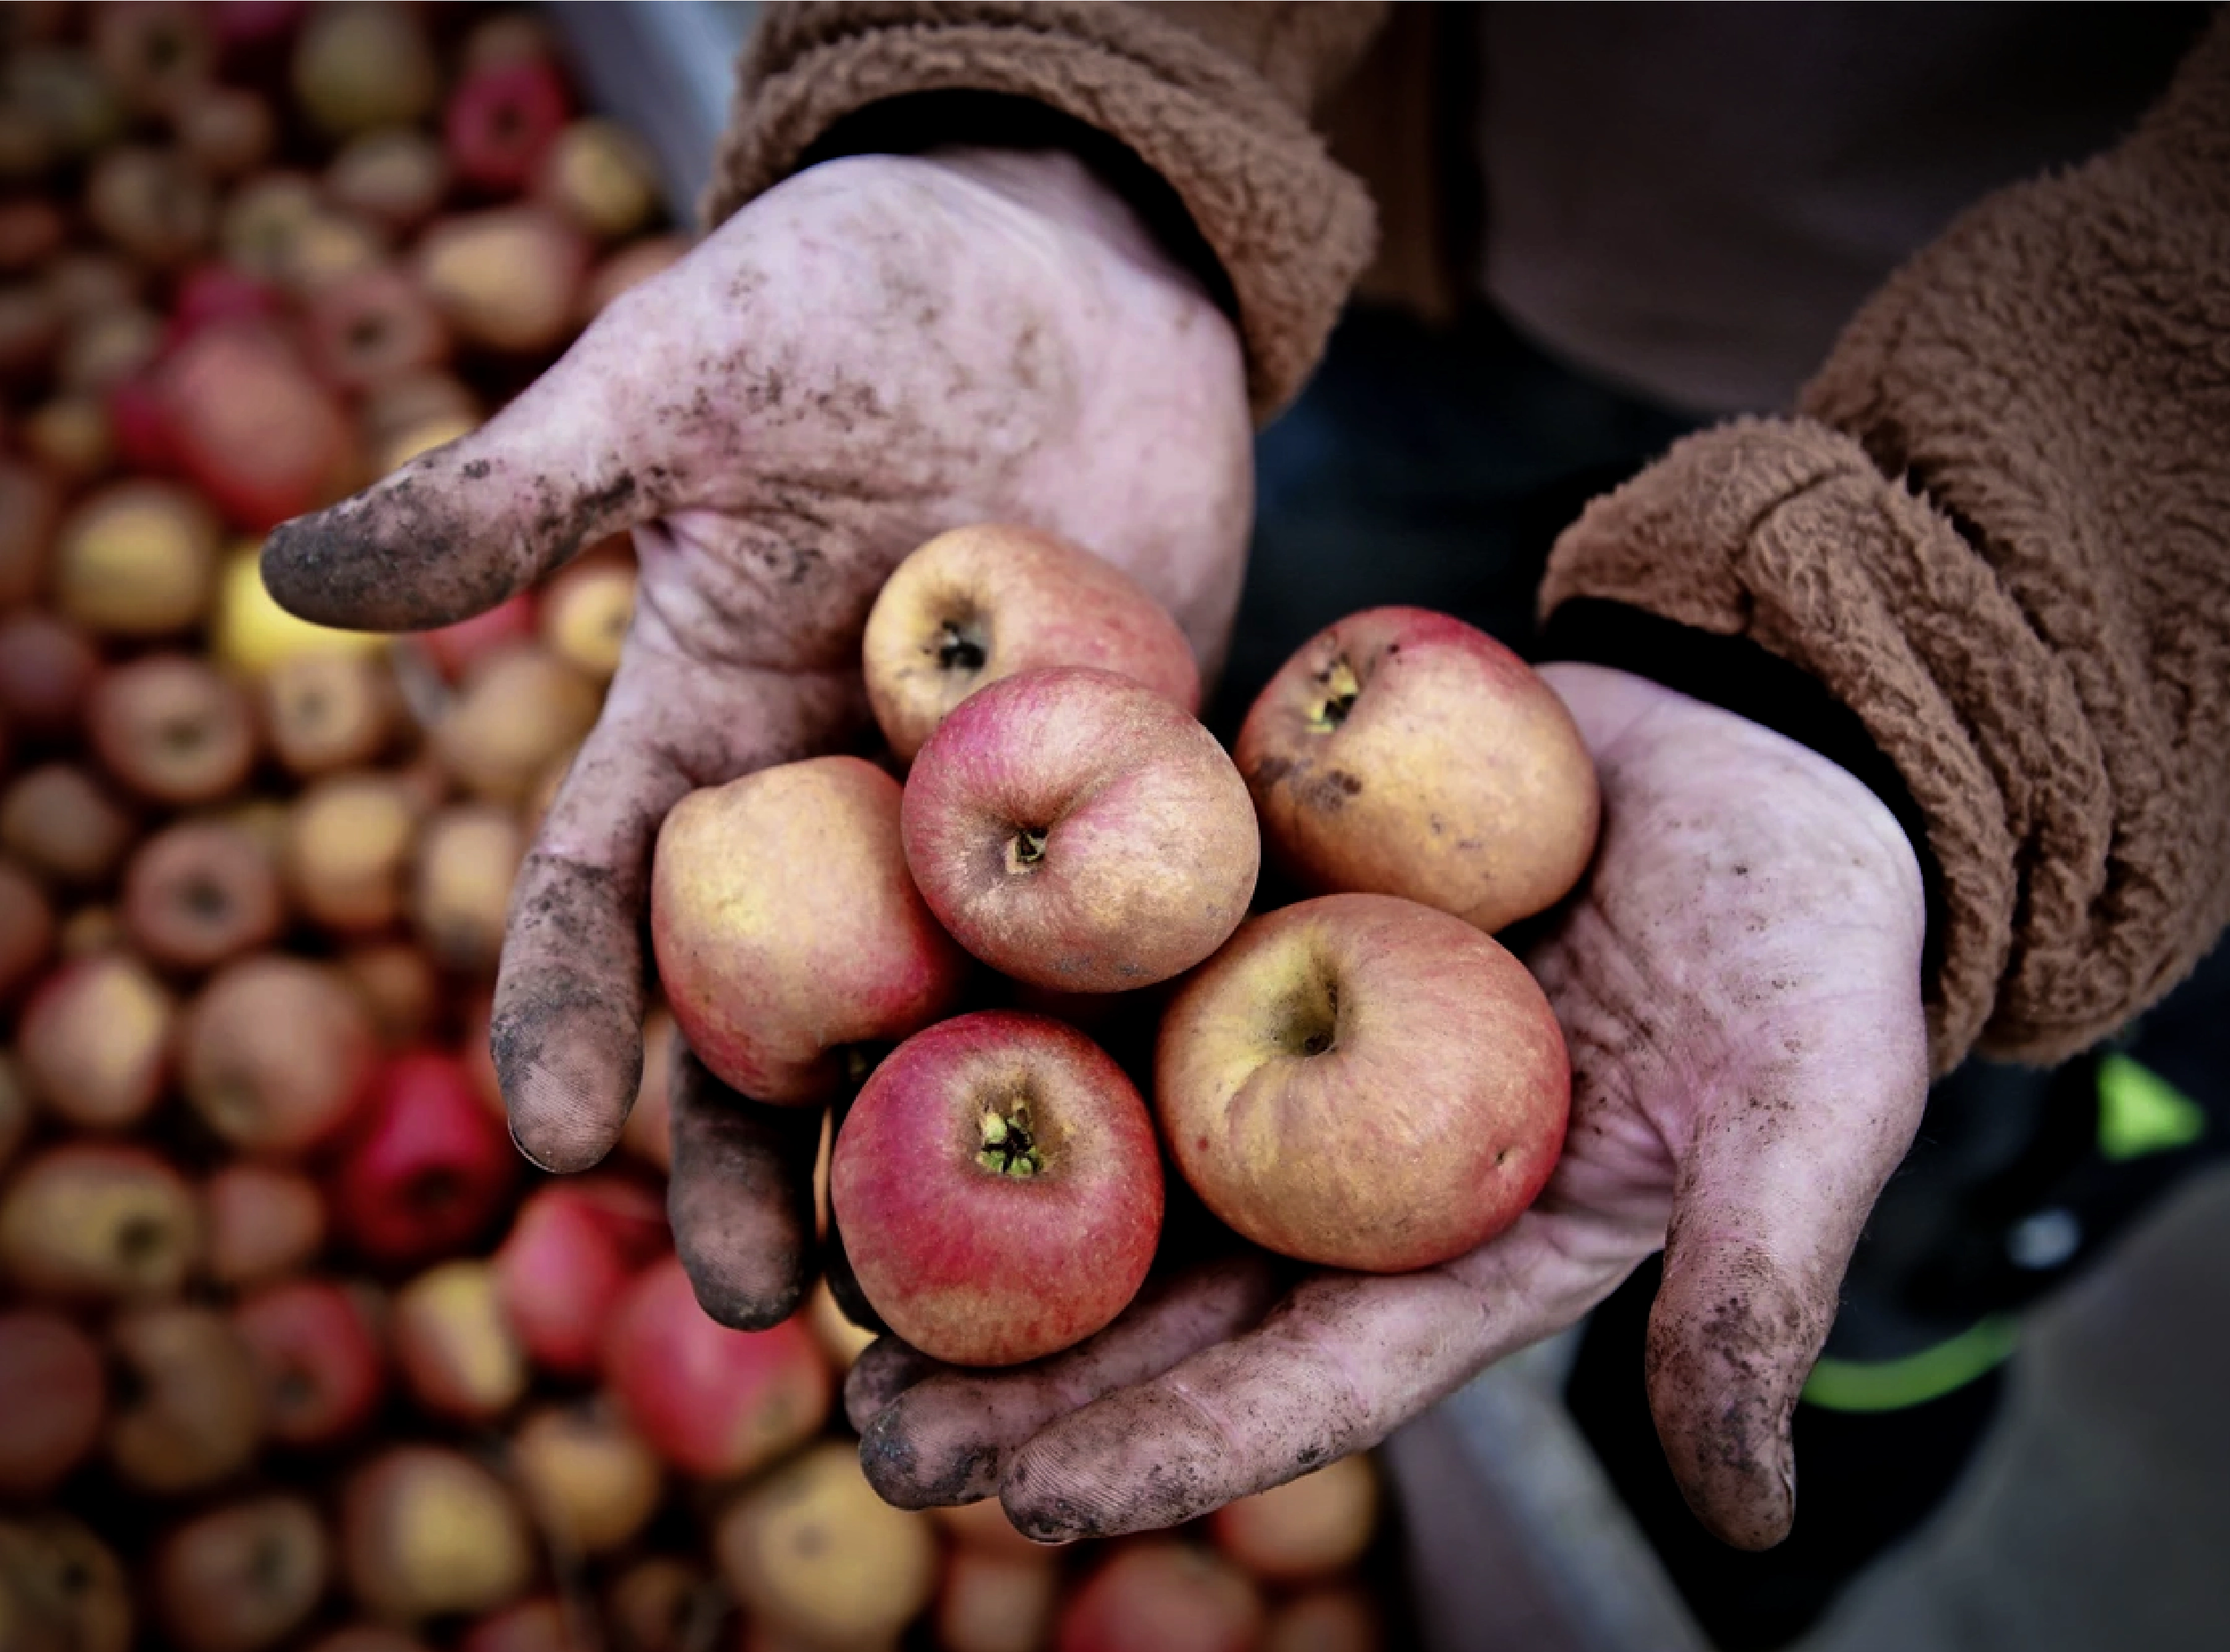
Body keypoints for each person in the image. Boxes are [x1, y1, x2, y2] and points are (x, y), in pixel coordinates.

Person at [262, 1, 2230, 1643]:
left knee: (1891, 1132)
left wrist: (1975, 678)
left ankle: (1902, 1339)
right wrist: (1050, 104)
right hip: (1365, 244)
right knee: (1303, 687)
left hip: (2095, 467)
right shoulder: (1114, 812)